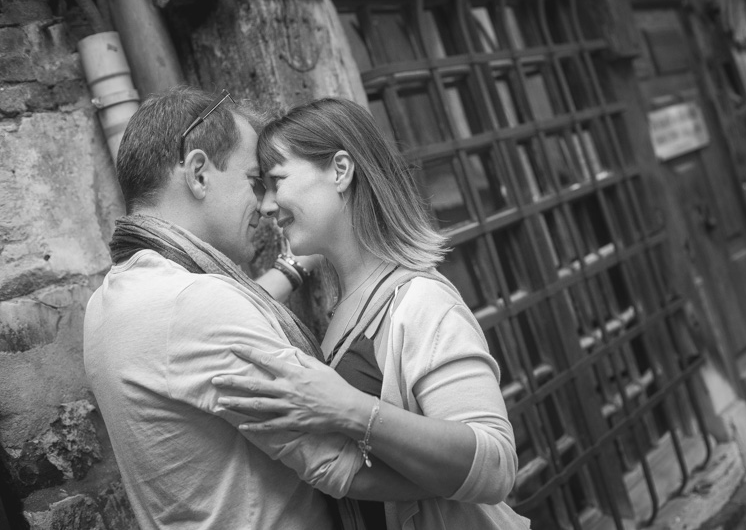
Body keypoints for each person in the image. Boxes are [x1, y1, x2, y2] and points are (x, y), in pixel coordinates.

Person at [83, 86, 434, 530]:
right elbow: (339, 466)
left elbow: (205, 340)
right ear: (198, 174)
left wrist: (295, 265)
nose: (266, 206)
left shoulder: (107, 304)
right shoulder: (193, 303)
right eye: (254, 181)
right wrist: (465, 477)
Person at [211, 97, 530, 529]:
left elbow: (495, 467)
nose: (267, 205)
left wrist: (349, 408)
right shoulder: (349, 305)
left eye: (276, 181)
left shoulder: (421, 301)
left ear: (340, 171)